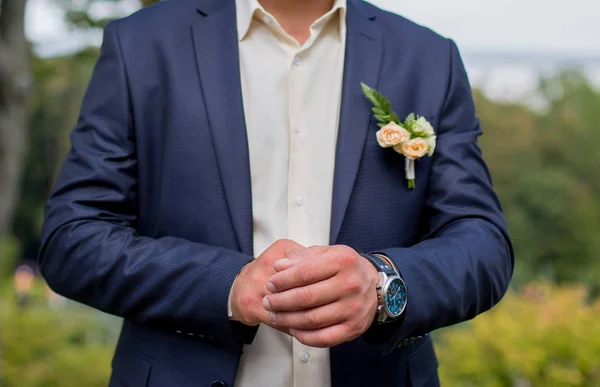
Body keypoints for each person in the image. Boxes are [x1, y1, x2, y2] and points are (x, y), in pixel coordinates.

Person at [38, 0, 514, 386]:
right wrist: (227, 285)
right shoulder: (142, 44)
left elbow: (483, 243)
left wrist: (382, 284)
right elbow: (73, 237)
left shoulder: (428, 56)